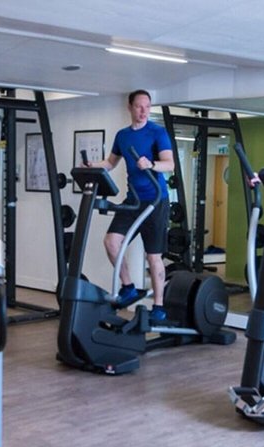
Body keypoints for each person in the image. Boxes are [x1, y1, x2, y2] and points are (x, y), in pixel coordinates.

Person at [87, 89, 175, 323]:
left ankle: (159, 306)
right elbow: (110, 162)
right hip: (133, 200)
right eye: (139, 106)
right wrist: (92, 166)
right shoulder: (123, 136)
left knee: (153, 256)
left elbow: (170, 164)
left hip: (156, 200)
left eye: (147, 106)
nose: (144, 111)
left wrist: (151, 164)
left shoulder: (157, 132)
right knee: (111, 242)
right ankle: (129, 287)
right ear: (130, 107)